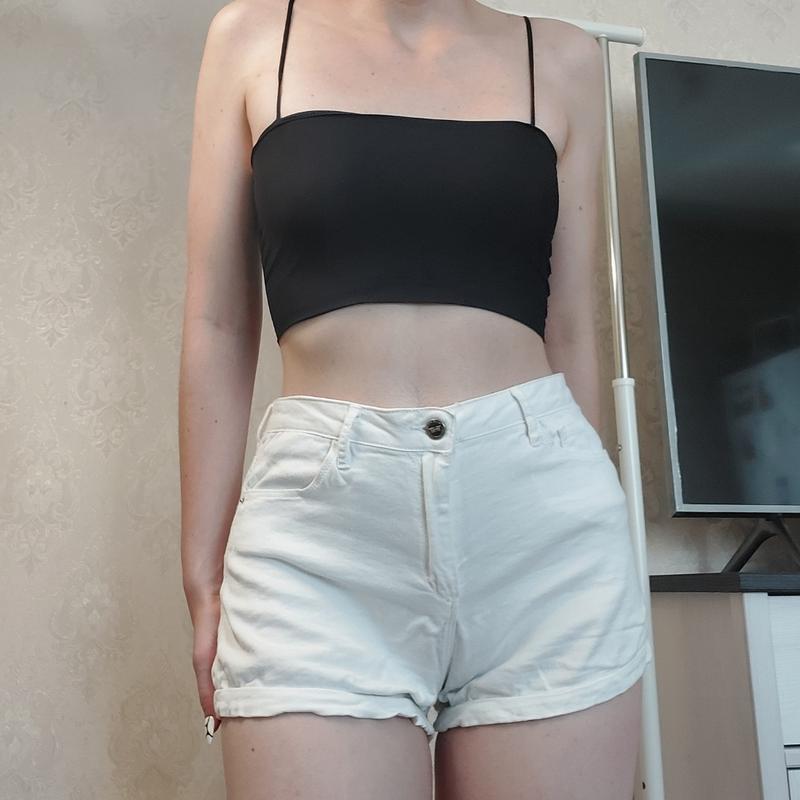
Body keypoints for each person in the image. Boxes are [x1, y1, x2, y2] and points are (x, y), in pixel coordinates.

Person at [180, 0, 653, 797]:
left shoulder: (562, 57)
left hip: (542, 536)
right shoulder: (255, 39)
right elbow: (217, 324)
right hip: (318, 543)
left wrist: (588, 496)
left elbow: (572, 328)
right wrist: (202, 571)